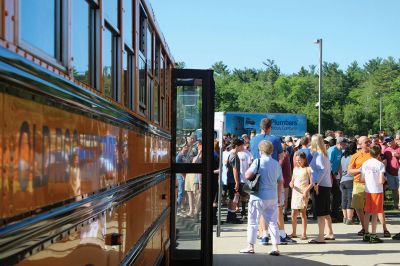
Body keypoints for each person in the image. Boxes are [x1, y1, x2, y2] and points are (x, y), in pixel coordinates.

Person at [249, 118, 295, 245]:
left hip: (257, 177)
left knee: (261, 209)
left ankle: (264, 235)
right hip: (272, 176)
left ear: (260, 127)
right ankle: (280, 233)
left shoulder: (253, 140)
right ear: (270, 127)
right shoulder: (274, 139)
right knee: (277, 206)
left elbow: (252, 158)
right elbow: (281, 157)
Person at [239, 140, 282, 256]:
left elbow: (247, 175)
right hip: (272, 196)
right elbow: (280, 182)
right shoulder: (276, 164)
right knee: (273, 222)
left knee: (253, 221)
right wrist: (279, 197)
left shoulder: (257, 162)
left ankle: (250, 246)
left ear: (260, 151)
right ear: (272, 151)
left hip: (258, 196)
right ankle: (275, 247)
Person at [308, 134, 335, 244]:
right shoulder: (323, 154)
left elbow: (322, 170)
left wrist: (316, 183)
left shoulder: (319, 155)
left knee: (320, 213)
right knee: (325, 212)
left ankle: (320, 237)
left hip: (321, 185)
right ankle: (329, 232)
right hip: (325, 185)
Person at [360, 145, 385, 243]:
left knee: (367, 212)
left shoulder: (365, 163)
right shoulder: (380, 164)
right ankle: (373, 235)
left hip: (368, 190)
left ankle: (366, 233)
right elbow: (381, 180)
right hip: (377, 191)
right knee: (375, 213)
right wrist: (384, 180)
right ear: (379, 154)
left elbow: (362, 179)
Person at [289, 152, 313, 240]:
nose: (298, 161)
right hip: (295, 192)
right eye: (296, 160)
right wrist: (291, 183)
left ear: (304, 159)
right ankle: (294, 232)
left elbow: (312, 183)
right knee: (293, 213)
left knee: (303, 213)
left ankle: (304, 233)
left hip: (304, 192)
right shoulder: (295, 169)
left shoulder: (308, 169)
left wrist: (306, 190)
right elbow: (292, 180)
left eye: (300, 160)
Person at [328, 137, 347, 222]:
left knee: (337, 194)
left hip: (335, 174)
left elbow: (339, 163)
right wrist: (332, 175)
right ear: (340, 143)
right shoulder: (332, 150)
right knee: (335, 194)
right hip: (329, 175)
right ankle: (332, 214)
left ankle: (334, 214)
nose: (346, 145)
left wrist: (340, 173)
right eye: (344, 143)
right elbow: (329, 163)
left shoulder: (340, 151)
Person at [225, 138, 244, 223]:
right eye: (241, 146)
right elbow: (235, 169)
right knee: (234, 198)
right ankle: (232, 216)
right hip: (233, 181)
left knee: (232, 198)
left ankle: (230, 215)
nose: (242, 147)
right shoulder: (234, 156)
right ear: (236, 146)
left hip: (230, 180)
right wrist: (237, 182)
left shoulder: (230, 154)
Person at [340, 141, 357, 224]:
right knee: (350, 200)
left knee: (344, 199)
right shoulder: (354, 157)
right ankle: (350, 219)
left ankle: (345, 217)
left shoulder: (343, 157)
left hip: (343, 179)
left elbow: (340, 169)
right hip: (351, 179)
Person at [383, 136, 400, 209]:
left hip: (398, 172)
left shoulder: (399, 148)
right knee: (394, 190)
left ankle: (399, 204)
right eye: (387, 141)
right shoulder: (386, 150)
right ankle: (395, 204)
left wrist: (398, 156)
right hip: (390, 173)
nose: (388, 142)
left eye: (390, 140)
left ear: (394, 140)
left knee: (399, 189)